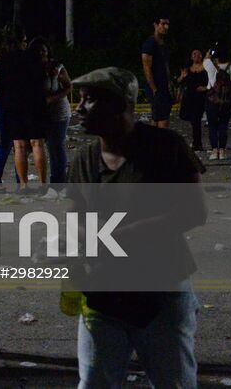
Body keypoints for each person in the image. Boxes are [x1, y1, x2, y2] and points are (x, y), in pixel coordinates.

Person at [68, 67, 204, 387]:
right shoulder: (84, 159)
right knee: (94, 383)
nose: (79, 108)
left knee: (174, 383)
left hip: (162, 293)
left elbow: (193, 211)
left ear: (120, 105)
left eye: (90, 100)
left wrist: (122, 236)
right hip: (102, 295)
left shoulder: (165, 146)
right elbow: (75, 215)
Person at [0, 27, 49, 189]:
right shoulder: (32, 56)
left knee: (19, 146)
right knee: (37, 144)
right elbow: (41, 80)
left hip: (13, 105)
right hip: (34, 104)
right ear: (22, 42)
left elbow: (1, 86)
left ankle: (24, 185)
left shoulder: (3, 60)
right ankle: (42, 184)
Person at [37, 38, 73, 185]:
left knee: (56, 147)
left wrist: (52, 99)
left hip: (59, 113)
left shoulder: (57, 67)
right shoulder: (31, 67)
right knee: (46, 147)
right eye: (38, 51)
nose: (41, 54)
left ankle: (58, 181)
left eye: (44, 51)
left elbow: (69, 86)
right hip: (41, 113)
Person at [140, 15, 173, 128]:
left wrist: (169, 83)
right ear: (155, 25)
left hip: (163, 86)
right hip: (156, 87)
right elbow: (146, 67)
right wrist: (154, 88)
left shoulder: (163, 44)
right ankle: (160, 144)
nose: (166, 27)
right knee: (162, 118)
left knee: (158, 117)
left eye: (167, 24)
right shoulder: (150, 43)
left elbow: (166, 65)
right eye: (163, 24)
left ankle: (154, 143)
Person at [204, 50, 231, 160]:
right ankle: (222, 151)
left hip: (212, 100)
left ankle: (214, 151)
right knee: (223, 124)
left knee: (212, 126)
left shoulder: (209, 65)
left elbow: (206, 60)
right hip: (227, 100)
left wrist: (208, 55)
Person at [177, 49, 207, 152]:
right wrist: (182, 76)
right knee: (188, 118)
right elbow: (179, 82)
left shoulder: (205, 68)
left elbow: (212, 81)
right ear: (191, 57)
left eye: (199, 54)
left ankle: (197, 143)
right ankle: (196, 142)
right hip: (189, 97)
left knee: (196, 120)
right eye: (194, 54)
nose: (196, 55)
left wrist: (205, 88)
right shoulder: (188, 69)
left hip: (200, 98)